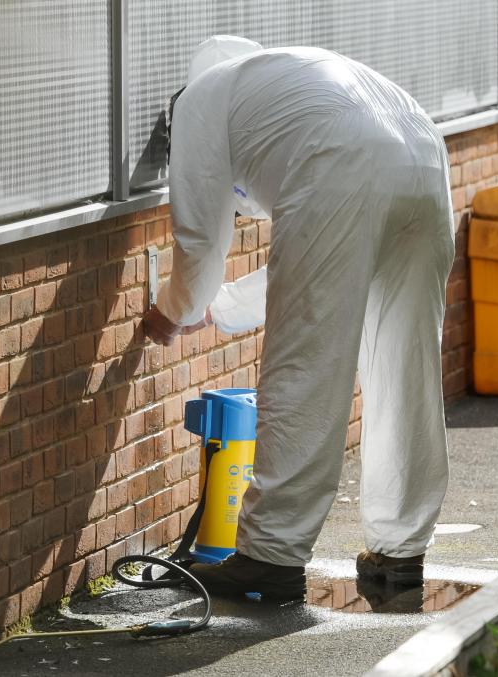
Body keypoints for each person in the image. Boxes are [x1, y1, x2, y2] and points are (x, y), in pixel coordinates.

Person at [142, 36, 455, 600]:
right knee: (405, 366)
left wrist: (174, 311)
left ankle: (271, 557)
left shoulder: (197, 105)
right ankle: (400, 549)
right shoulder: (282, 84)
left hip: (345, 155)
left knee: (306, 365)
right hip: (424, 154)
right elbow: (310, 265)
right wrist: (219, 308)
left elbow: (199, 241)